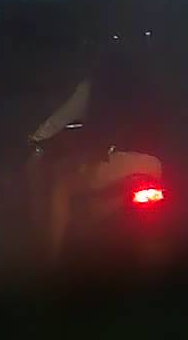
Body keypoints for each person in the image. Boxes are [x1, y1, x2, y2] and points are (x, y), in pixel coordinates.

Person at [27, 31, 164, 262]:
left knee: (61, 186)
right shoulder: (147, 88)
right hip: (152, 166)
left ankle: (50, 260)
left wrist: (35, 138)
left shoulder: (93, 87)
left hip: (112, 162)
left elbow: (59, 120)